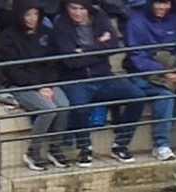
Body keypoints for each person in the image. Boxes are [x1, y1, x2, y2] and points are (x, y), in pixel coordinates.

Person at [52, 0, 140, 165]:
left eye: (81, 8)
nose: (77, 12)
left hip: (103, 76)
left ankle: (120, 144)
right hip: (75, 79)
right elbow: (70, 61)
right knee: (79, 107)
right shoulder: (61, 23)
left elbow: (113, 46)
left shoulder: (100, 16)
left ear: (88, 9)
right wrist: (100, 46)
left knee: (137, 96)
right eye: (73, 8)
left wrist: (83, 50)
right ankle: (84, 148)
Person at [122, 0, 176, 161]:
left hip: (173, 66)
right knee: (165, 95)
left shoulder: (174, 19)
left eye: (166, 3)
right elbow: (137, 56)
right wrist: (162, 71)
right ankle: (161, 145)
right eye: (158, 3)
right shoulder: (136, 21)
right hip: (143, 72)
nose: (162, 7)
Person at [0, 0, 70, 169]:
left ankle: (55, 148)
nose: (32, 18)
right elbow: (13, 70)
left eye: (35, 14)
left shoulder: (46, 33)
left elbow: (53, 63)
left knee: (64, 105)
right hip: (21, 85)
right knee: (48, 110)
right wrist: (37, 87)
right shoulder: (9, 36)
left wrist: (48, 85)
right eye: (27, 14)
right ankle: (33, 152)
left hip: (46, 83)